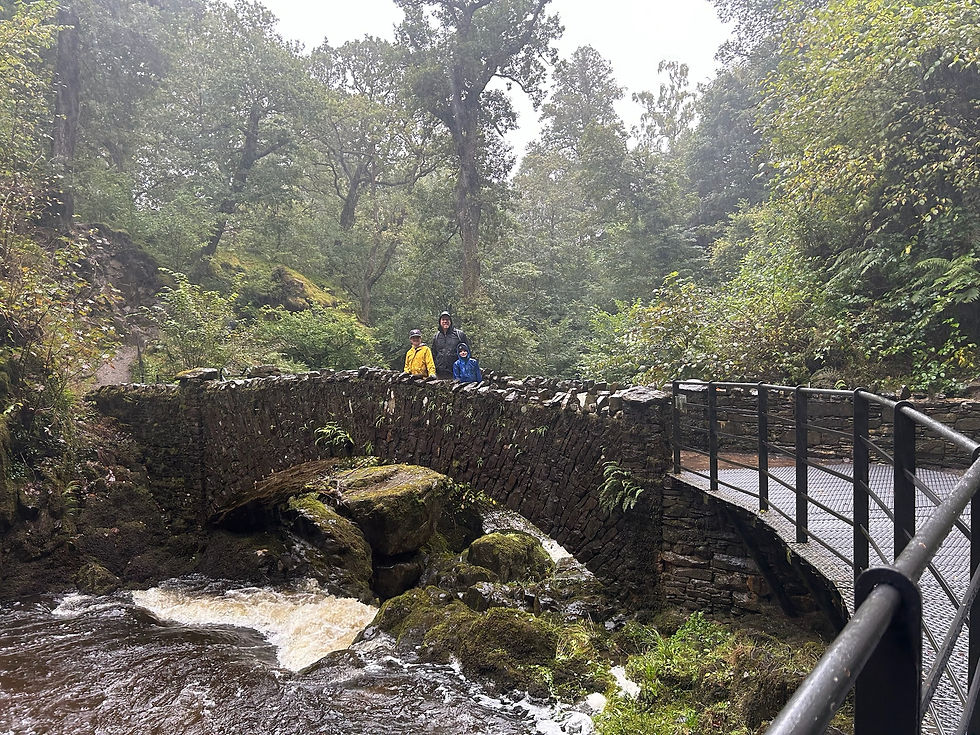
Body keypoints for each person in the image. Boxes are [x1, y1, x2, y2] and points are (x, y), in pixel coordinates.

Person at [431, 311, 469, 380]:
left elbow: (467, 353)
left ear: (450, 321)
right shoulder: (436, 337)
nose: (445, 321)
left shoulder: (459, 335)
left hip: (456, 373)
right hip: (440, 374)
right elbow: (433, 354)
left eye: (447, 319)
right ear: (440, 322)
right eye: (443, 320)